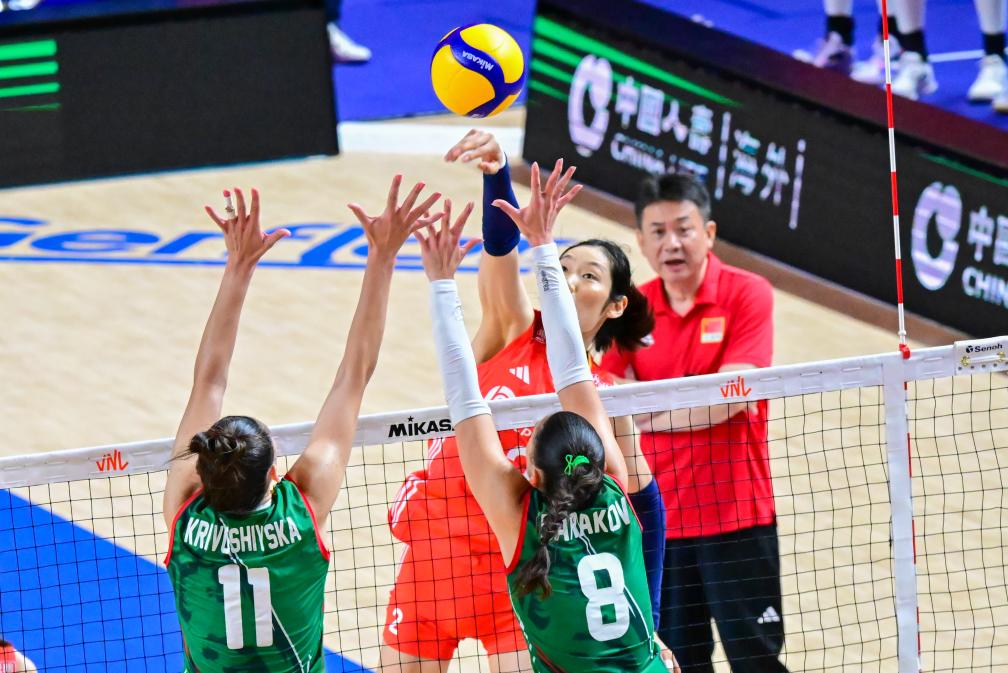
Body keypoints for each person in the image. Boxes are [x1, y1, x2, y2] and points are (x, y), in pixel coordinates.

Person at [380, 131, 669, 672]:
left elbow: (645, 506)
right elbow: (499, 253)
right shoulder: (511, 327)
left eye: (589, 275)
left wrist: (647, 624)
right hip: (436, 556)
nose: (570, 279)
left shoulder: (604, 397)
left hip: (523, 568)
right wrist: (497, 176)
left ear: (615, 305)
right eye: (564, 267)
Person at [162, 179, 442, 673]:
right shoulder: (301, 513)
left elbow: (208, 380)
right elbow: (354, 376)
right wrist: (382, 257)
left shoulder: (186, 514)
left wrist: (238, 266)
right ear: (274, 474)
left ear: (202, 471)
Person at [599, 174, 784, 673]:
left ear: (709, 233)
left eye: (684, 229)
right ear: (641, 242)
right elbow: (610, 402)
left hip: (737, 520)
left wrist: (650, 412)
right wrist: (694, 400)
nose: (672, 243)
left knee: (757, 661)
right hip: (659, 524)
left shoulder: (748, 294)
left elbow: (732, 397)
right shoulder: (630, 310)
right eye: (658, 232)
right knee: (678, 663)